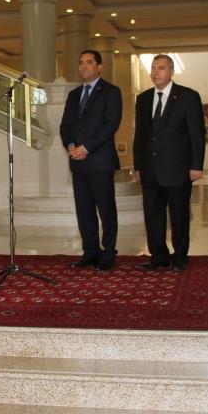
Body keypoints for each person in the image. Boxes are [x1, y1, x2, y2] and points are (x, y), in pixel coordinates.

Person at [133, 54, 205, 272]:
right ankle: (159, 257)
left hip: (178, 169)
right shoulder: (143, 99)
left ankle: (180, 257)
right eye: (153, 68)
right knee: (153, 216)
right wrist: (138, 166)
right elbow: (140, 136)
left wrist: (196, 165)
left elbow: (196, 134)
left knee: (179, 215)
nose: (155, 72)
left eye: (161, 68)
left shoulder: (188, 96)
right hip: (150, 169)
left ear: (171, 71)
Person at [59, 49, 123, 271]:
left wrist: (86, 148)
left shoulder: (111, 92)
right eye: (81, 62)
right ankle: (90, 251)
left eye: (89, 62)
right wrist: (70, 146)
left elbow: (110, 125)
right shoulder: (74, 95)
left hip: (100, 161)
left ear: (99, 67)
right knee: (84, 210)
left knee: (106, 210)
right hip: (77, 162)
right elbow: (65, 126)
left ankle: (109, 253)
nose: (83, 66)